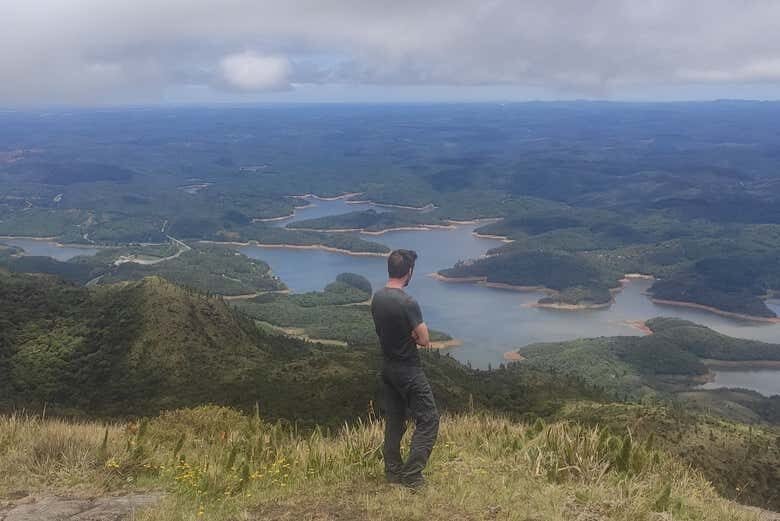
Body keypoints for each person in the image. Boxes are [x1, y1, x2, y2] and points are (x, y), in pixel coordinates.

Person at [370, 249, 439, 490]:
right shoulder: (408, 302)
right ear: (408, 272)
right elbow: (424, 339)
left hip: (387, 367)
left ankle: (393, 471)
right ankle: (412, 475)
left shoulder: (377, 297)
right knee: (429, 419)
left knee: (395, 420)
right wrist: (413, 335)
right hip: (408, 369)